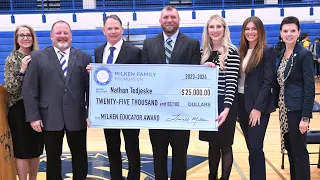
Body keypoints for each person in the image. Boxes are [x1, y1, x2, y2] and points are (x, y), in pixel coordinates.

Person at [22, 20, 91, 180]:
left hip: (77, 115)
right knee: (52, 159)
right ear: (51, 36)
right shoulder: (38, 57)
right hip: (49, 116)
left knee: (80, 157)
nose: (62, 36)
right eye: (58, 33)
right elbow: (30, 89)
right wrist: (33, 117)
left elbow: (91, 89)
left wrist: (91, 113)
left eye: (65, 33)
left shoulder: (84, 57)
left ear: (71, 36)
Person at [141, 5, 201, 180]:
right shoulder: (149, 43)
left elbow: (195, 76)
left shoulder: (192, 44)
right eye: (166, 17)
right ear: (160, 20)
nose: (169, 20)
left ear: (179, 20)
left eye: (173, 17)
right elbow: (144, 76)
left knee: (180, 158)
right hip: (157, 113)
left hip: (181, 112)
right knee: (158, 157)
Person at [87, 15, 142, 180]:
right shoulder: (98, 51)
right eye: (109, 28)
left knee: (132, 146)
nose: (113, 31)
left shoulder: (135, 52)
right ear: (104, 31)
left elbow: (141, 80)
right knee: (112, 147)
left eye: (116, 28)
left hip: (129, 108)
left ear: (122, 30)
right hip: (107, 108)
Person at [198, 14, 240, 180]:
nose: (215, 30)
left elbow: (231, 84)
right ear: (207, 30)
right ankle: (212, 176)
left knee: (225, 145)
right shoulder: (203, 52)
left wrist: (226, 109)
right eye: (211, 27)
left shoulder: (231, 52)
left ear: (224, 29)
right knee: (212, 143)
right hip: (208, 103)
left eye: (218, 27)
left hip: (225, 103)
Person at [275, 16, 315, 180]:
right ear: (281, 33)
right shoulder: (283, 53)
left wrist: (305, 117)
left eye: (293, 31)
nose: (289, 34)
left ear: (298, 33)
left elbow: (309, 87)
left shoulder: (304, 54)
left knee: (299, 152)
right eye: (286, 31)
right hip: (285, 110)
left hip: (297, 111)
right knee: (291, 150)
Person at [237, 16, 276, 180]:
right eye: (247, 29)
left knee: (255, 146)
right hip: (241, 104)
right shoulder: (241, 51)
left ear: (260, 31)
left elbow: (268, 82)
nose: (250, 32)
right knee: (251, 147)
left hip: (257, 107)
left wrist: (258, 108)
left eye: (254, 29)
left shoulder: (267, 51)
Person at [4, 24, 43, 180]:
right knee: (21, 150)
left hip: (38, 108)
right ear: (16, 39)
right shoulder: (12, 58)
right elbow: (11, 89)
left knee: (36, 148)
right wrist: (22, 70)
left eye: (28, 35)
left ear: (33, 38)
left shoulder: (39, 57)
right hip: (19, 109)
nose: (26, 38)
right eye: (22, 35)